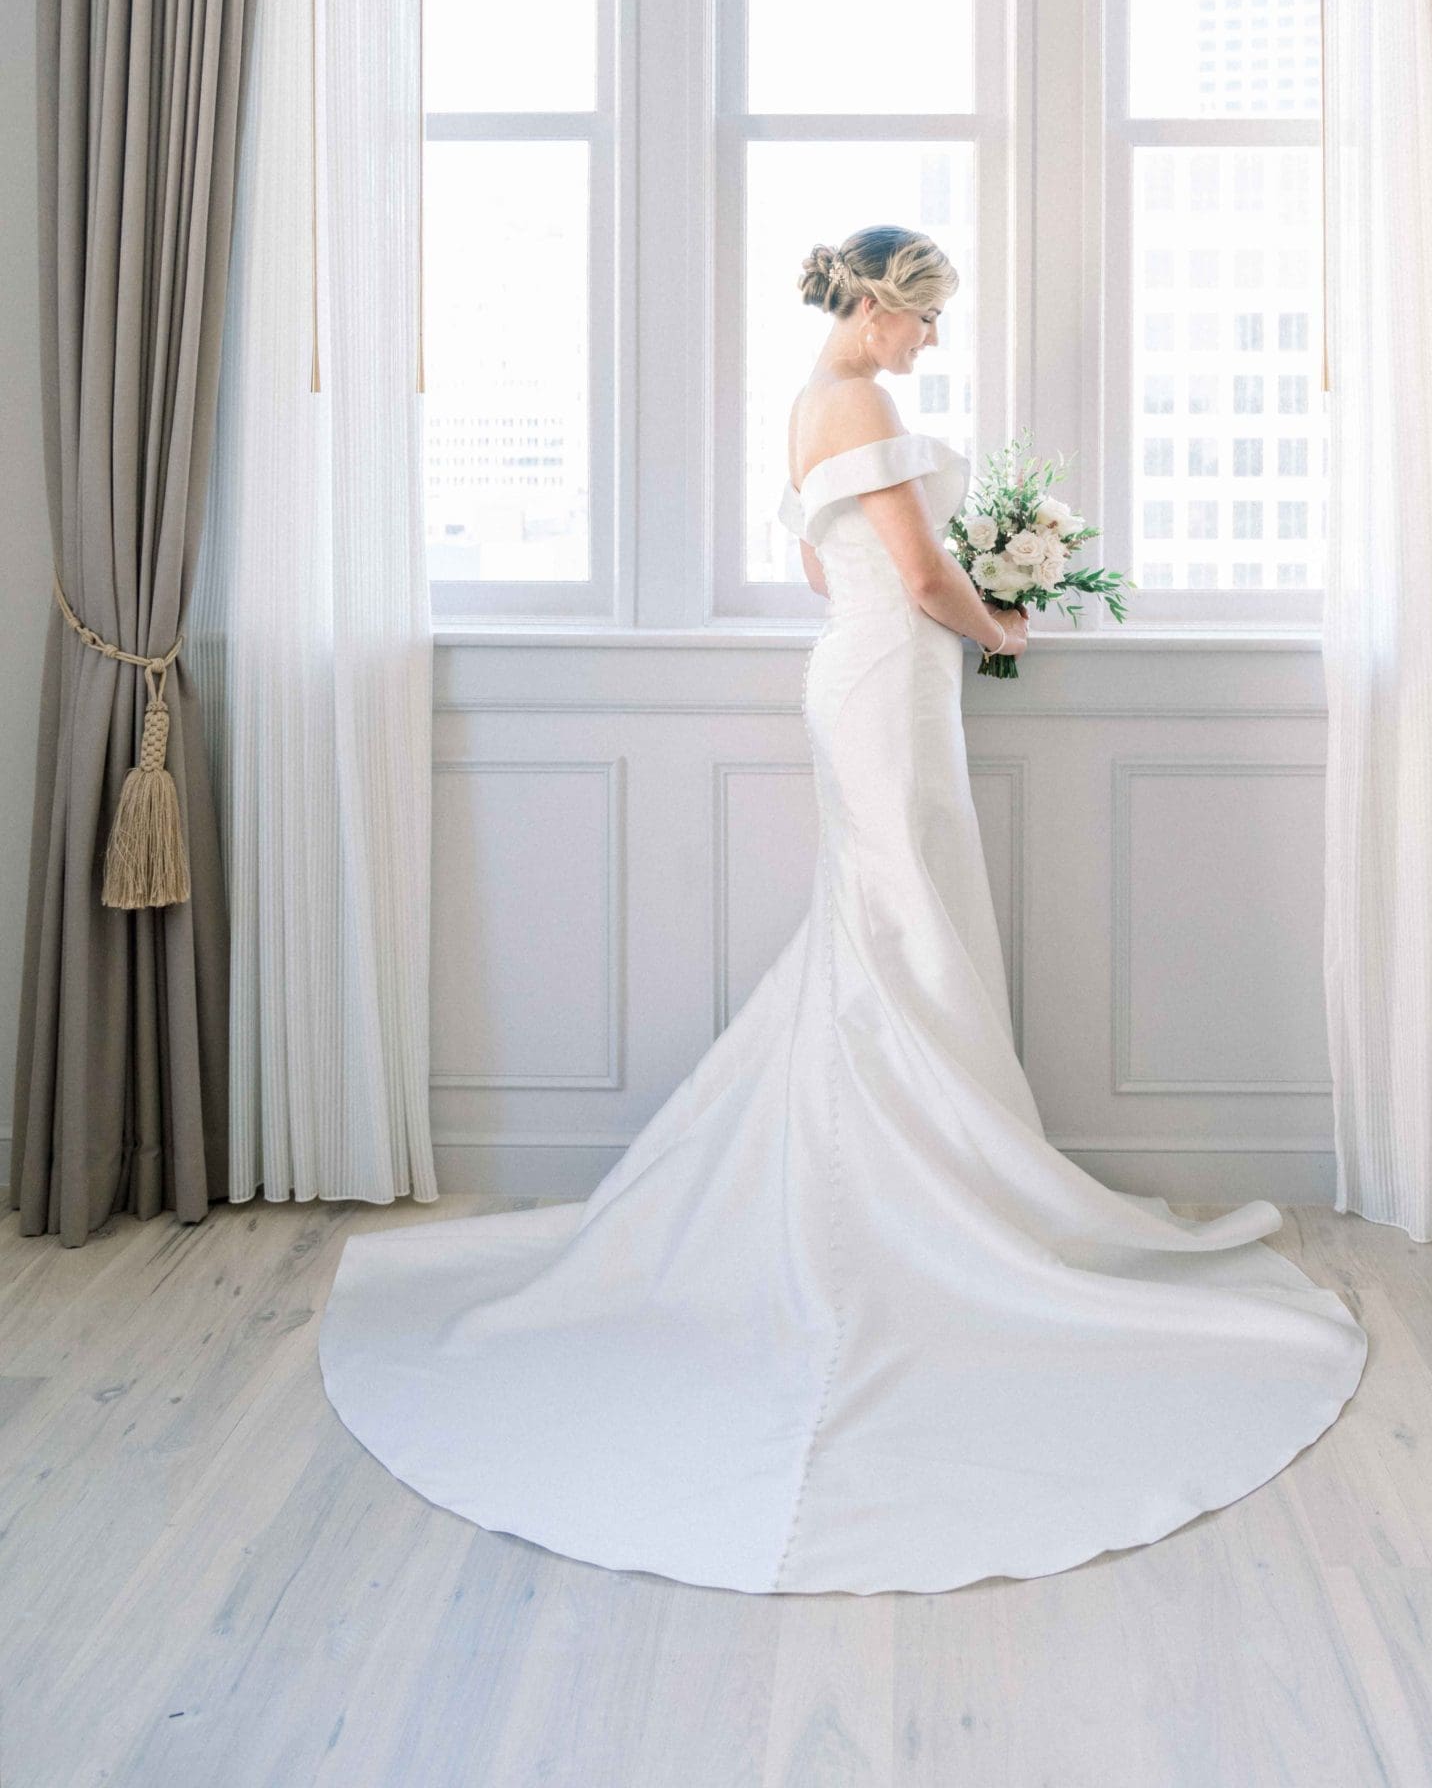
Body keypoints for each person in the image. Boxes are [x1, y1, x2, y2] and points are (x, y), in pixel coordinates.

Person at [319, 224, 1366, 1595]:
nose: (933, 343)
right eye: (927, 320)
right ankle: (914, 1209)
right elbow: (921, 579)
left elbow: (829, 571)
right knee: (902, 924)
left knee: (882, 927)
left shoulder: (810, 407)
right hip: (892, 682)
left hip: (855, 673)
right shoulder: (866, 399)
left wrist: (949, 604)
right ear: (879, 312)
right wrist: (1001, 624)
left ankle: (896, 1181)